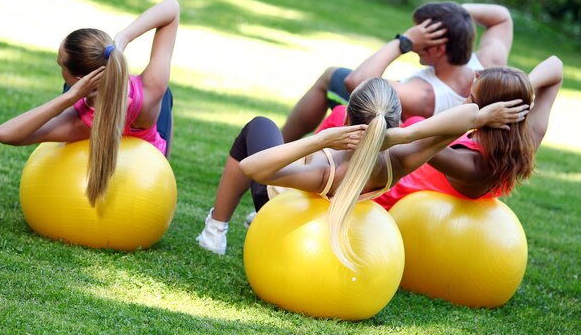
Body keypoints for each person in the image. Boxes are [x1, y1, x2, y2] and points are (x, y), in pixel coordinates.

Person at [196, 77, 526, 264]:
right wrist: (406, 135)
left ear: (347, 118)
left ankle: (215, 232)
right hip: (331, 208)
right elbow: (459, 120)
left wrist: (319, 140)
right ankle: (221, 230)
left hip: (284, 208)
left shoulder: (327, 168)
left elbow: (255, 168)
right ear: (393, 124)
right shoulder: (398, 161)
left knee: (260, 125)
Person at [0, 0, 180, 205]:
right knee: (165, 93)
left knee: (69, 89)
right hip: (149, 154)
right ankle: (165, 164)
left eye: (61, 66)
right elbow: (172, 7)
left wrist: (69, 97)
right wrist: (123, 37)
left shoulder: (78, 124)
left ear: (80, 80)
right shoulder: (150, 89)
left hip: (140, 171)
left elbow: (5, 133)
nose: (60, 69)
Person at [281, 2, 513, 142]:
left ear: (439, 48)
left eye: (421, 33)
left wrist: (404, 42)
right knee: (334, 77)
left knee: (331, 77)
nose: (416, 36)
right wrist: (453, 15)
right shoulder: (488, 63)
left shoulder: (423, 95)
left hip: (390, 148)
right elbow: (502, 16)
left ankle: (277, 149)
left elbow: (358, 82)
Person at [373, 56, 564, 209]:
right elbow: (556, 65)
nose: (465, 100)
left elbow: (404, 139)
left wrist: (477, 117)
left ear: (486, 110)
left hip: (384, 199)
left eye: (471, 97)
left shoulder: (473, 166)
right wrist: (519, 87)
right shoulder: (528, 138)